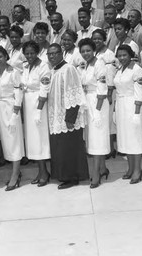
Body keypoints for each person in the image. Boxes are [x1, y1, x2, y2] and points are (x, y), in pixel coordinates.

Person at [46, 43, 89, 189]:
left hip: (67, 116)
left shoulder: (68, 69)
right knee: (60, 147)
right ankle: (62, 175)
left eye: (54, 53)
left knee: (69, 148)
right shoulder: (53, 70)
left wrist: (70, 117)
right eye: (49, 54)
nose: (52, 56)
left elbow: (74, 93)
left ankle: (72, 177)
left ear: (61, 53)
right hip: (56, 115)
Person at [0, 46, 25, 191]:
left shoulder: (14, 72)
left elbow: (19, 93)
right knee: (6, 141)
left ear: (6, 57)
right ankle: (15, 171)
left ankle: (15, 174)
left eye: (1, 56)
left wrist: (15, 113)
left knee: (14, 139)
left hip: (11, 107)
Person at [77, 38, 110, 188]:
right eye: (83, 51)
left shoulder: (100, 64)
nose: (86, 53)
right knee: (92, 138)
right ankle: (102, 168)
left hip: (98, 103)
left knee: (97, 138)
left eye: (88, 50)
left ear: (93, 50)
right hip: (87, 102)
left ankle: (96, 173)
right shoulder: (84, 66)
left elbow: (103, 91)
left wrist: (97, 112)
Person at [113, 44, 142, 183]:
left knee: (135, 138)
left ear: (130, 54)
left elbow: (139, 92)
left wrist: (137, 113)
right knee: (125, 138)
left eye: (124, 55)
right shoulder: (120, 69)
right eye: (119, 55)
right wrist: (115, 109)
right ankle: (130, 168)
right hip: (121, 105)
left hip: (132, 105)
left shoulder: (137, 69)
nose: (122, 58)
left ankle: (137, 170)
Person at [21, 40, 51, 186]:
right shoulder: (25, 67)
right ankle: (40, 171)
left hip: (39, 105)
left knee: (41, 138)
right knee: (33, 139)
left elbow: (44, 89)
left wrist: (39, 110)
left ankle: (45, 172)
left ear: (37, 52)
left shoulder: (43, 66)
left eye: (32, 53)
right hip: (28, 105)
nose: (29, 56)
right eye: (26, 53)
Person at [92, 29, 117, 158]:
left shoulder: (109, 54)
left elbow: (111, 73)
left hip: (108, 91)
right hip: (98, 90)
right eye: (94, 39)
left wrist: (110, 91)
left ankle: (111, 148)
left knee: (109, 120)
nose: (96, 41)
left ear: (104, 39)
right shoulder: (94, 52)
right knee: (101, 119)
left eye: (99, 39)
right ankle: (103, 147)